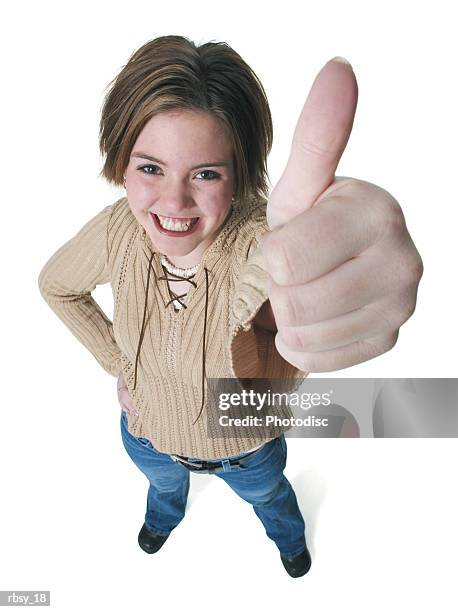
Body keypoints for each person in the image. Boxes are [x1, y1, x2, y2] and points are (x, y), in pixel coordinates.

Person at [38, 35, 423, 579]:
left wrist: (351, 255)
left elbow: (300, 264)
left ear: (239, 175)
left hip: (248, 448)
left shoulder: (263, 244)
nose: (173, 204)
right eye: (150, 168)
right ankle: (163, 517)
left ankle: (289, 540)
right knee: (162, 489)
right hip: (146, 437)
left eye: (205, 173)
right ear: (121, 161)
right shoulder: (115, 233)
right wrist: (119, 362)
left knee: (271, 499)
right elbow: (58, 286)